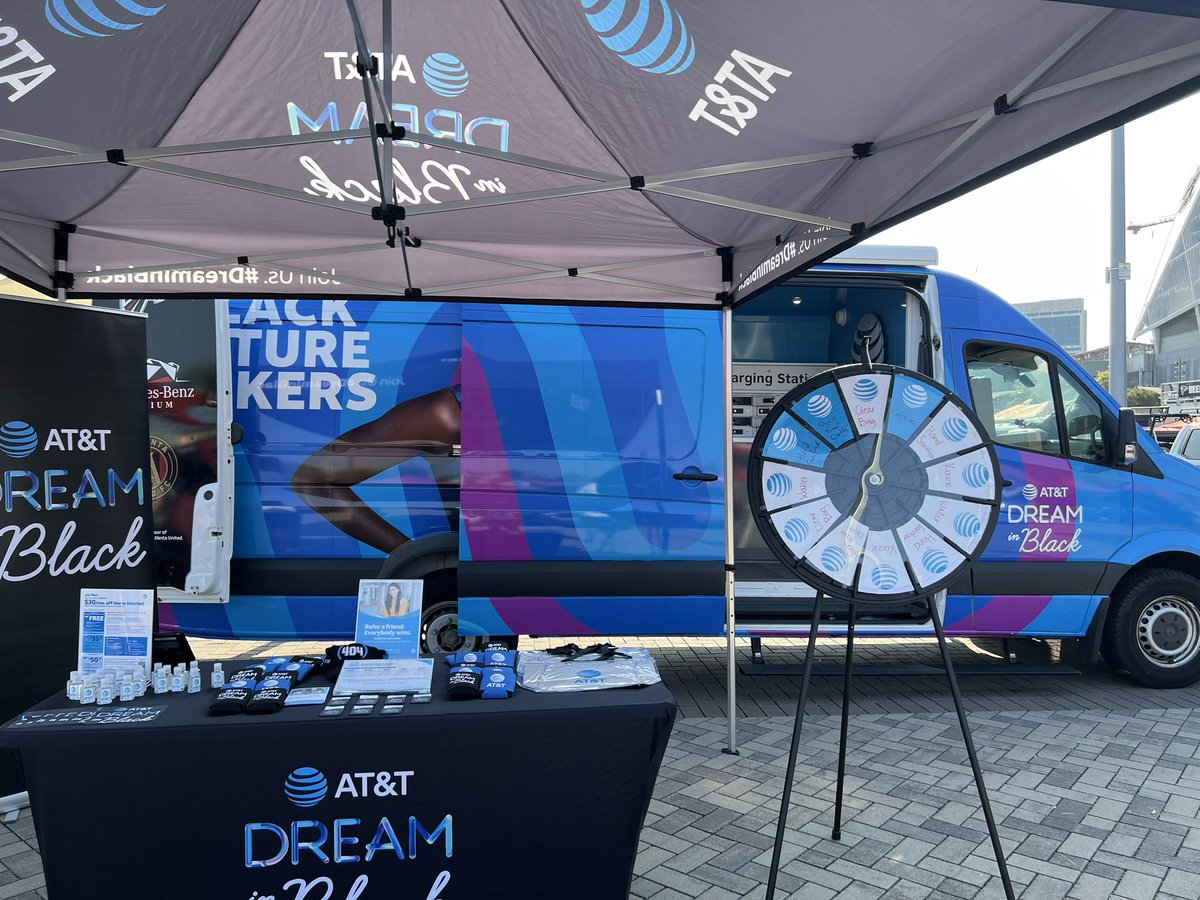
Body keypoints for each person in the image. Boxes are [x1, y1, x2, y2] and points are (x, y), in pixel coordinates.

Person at [290, 386, 462, 552]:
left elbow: (312, 480)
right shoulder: (445, 416)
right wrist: (413, 557)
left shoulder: (447, 415)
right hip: (465, 568)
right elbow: (312, 480)